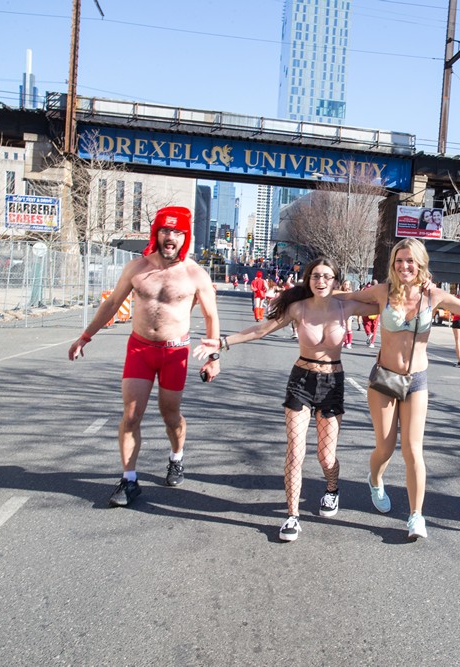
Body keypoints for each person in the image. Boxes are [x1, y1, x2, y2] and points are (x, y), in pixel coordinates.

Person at [339, 238, 460, 540]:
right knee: (386, 447)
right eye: (399, 260)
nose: (404, 266)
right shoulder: (383, 292)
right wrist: (310, 295)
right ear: (393, 264)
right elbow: (349, 297)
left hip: (416, 380)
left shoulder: (433, 295)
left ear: (420, 264)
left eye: (410, 261)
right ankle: (375, 479)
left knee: (413, 450)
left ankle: (416, 516)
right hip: (384, 380)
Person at [194, 258, 377, 542]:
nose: (321, 281)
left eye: (327, 277)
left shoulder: (346, 307)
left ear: (336, 281)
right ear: (308, 279)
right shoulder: (297, 308)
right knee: (295, 451)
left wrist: (420, 291)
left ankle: (331, 489)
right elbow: (260, 329)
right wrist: (223, 342)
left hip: (332, 384)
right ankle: (292, 516)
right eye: (316, 276)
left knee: (326, 457)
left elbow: (388, 304)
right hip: (301, 380)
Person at [68, 206, 220, 507]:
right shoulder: (137, 268)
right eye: (165, 230)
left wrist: (213, 356)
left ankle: (176, 457)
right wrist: (86, 336)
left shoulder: (195, 274)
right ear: (157, 233)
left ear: (185, 236)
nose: (170, 237)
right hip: (140, 349)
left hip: (174, 352)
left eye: (177, 232)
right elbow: (112, 304)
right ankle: (129, 479)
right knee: (131, 414)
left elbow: (211, 316)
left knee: (170, 415)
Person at [361, 280, 379, 347]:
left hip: (366, 309)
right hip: (376, 310)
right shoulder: (379, 291)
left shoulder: (366, 289)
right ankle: (372, 342)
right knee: (374, 327)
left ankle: (369, 333)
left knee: (366, 324)